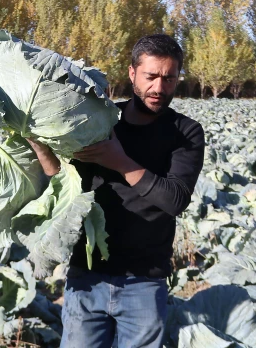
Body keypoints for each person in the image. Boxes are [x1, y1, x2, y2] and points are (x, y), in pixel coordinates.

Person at [27, 34, 205, 348]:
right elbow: (65, 181)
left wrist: (119, 161)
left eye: (169, 78)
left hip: (145, 282)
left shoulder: (185, 132)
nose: (159, 88)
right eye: (151, 77)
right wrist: (39, 145)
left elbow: (174, 200)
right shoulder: (101, 122)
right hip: (87, 276)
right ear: (132, 73)